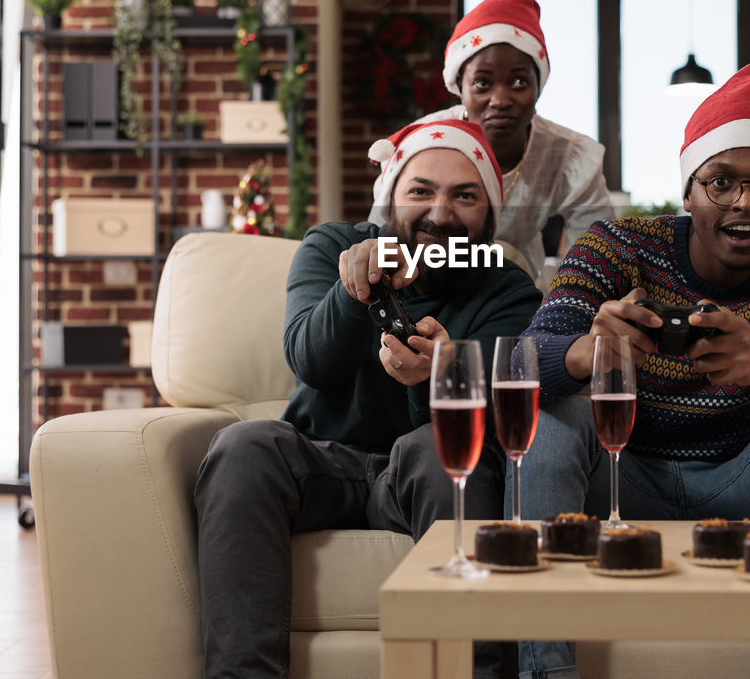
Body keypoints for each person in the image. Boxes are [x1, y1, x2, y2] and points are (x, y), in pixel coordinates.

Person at [513, 63, 750, 679]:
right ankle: (546, 672)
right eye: (720, 183)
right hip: (621, 475)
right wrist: (587, 352)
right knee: (550, 411)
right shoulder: (616, 246)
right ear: (688, 192)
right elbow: (527, 360)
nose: (745, 201)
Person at [194, 119, 542, 679]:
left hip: (422, 469)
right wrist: (352, 290)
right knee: (244, 445)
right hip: (319, 460)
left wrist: (440, 371)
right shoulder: (333, 245)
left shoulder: (506, 286)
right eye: (420, 191)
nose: (440, 213)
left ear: (490, 216)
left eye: (465, 195)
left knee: (444, 454)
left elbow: (497, 415)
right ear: (389, 198)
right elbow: (310, 361)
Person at [369, 0, 616, 280]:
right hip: (423, 280)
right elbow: (378, 236)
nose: (500, 99)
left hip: (521, 284)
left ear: (539, 87)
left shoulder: (568, 156)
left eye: (519, 81)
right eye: (482, 83)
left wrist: (561, 302)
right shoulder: (420, 146)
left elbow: (597, 253)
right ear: (460, 87)